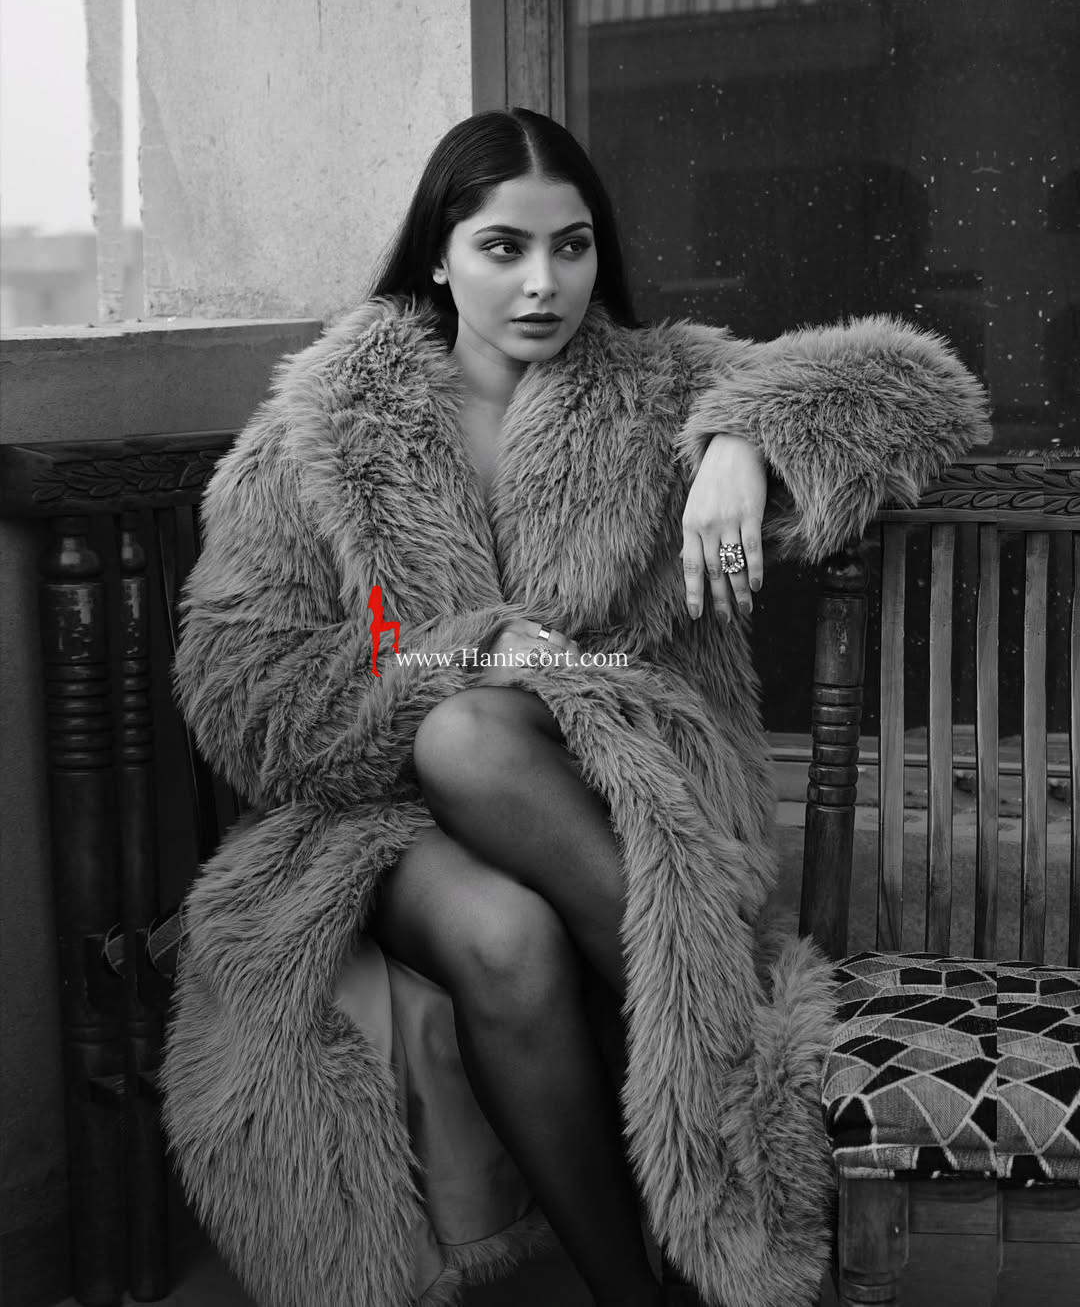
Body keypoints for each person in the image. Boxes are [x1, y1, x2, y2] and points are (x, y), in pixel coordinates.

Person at [161, 108, 990, 1307]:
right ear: (439, 253)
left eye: (573, 244)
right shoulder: (319, 435)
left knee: (496, 849)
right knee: (476, 807)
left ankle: (682, 1236)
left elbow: (926, 391)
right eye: (504, 247)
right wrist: (466, 651)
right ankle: (674, 1227)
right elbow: (239, 685)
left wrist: (746, 437)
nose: (544, 283)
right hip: (382, 812)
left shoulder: (661, 390)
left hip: (622, 771)